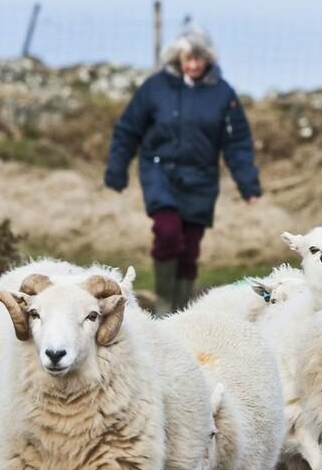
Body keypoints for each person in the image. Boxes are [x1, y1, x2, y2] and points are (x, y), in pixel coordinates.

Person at [104, 24, 262, 314]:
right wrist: (117, 168)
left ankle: (182, 306)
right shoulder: (155, 87)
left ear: (208, 59)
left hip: (201, 179)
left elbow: (237, 142)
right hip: (159, 173)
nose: (193, 65)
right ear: (177, 57)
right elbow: (128, 129)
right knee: (167, 233)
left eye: (198, 59)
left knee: (189, 249)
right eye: (187, 59)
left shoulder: (222, 93)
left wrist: (248, 185)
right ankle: (165, 302)